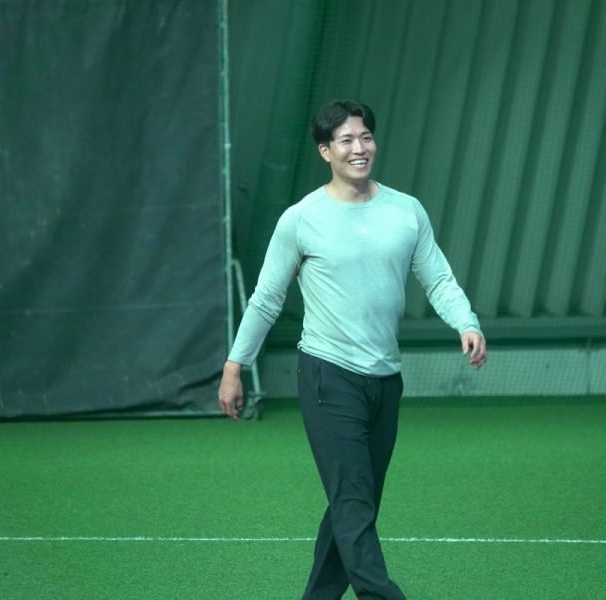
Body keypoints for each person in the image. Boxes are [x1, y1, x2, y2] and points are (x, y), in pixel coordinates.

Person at [218, 99, 486, 599]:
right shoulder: (301, 219)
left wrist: (466, 323)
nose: (359, 148)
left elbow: (438, 278)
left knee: (356, 502)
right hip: (328, 377)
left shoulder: (406, 211)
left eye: (365, 137)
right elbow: (266, 299)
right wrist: (236, 366)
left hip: (385, 380)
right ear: (325, 151)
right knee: (354, 501)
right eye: (345, 140)